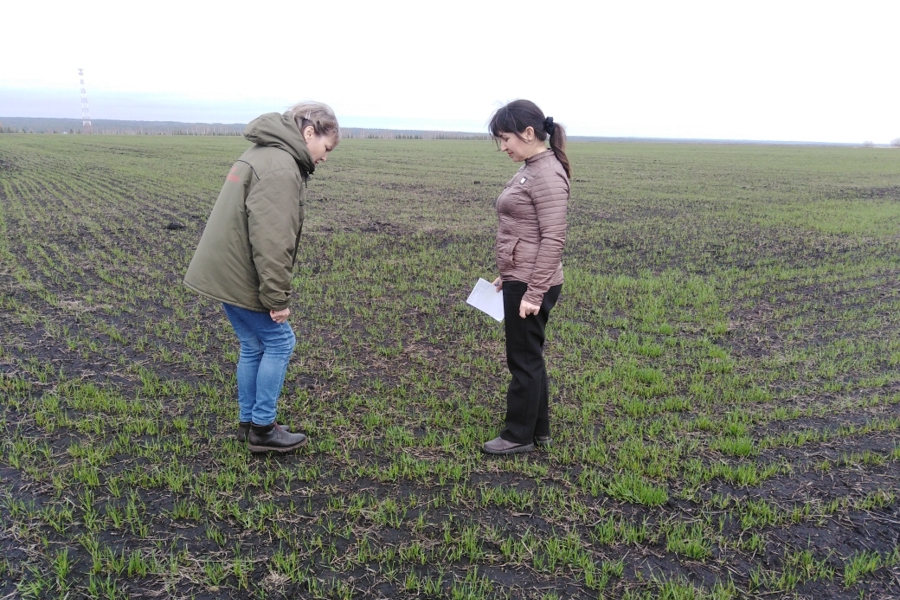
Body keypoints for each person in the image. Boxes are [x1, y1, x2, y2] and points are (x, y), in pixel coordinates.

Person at [184, 101, 339, 453]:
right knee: (281, 342)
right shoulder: (282, 168)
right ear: (309, 132)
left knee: (253, 344)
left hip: (224, 271)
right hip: (240, 274)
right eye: (327, 148)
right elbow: (272, 242)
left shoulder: (262, 152)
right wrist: (277, 300)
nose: (326, 157)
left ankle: (248, 423)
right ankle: (263, 428)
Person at [483, 99, 571, 455]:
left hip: (534, 282)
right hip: (522, 276)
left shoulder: (546, 173)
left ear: (529, 133)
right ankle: (539, 429)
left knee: (522, 358)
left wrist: (533, 292)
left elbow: (553, 238)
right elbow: (526, 232)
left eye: (506, 138)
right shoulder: (532, 168)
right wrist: (508, 273)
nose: (503, 146)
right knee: (529, 355)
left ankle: (518, 435)